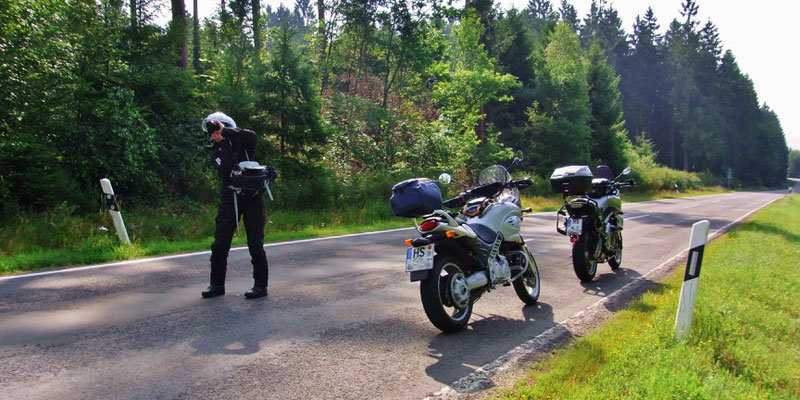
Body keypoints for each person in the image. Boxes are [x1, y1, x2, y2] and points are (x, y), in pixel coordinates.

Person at [201, 112, 268, 299]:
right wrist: (224, 143)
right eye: (213, 133)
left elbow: (252, 135)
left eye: (217, 130)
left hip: (253, 198)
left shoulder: (245, 142)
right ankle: (216, 285)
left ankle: (260, 286)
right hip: (230, 198)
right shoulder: (216, 154)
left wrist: (228, 133)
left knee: (255, 243)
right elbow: (225, 167)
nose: (214, 134)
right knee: (220, 243)